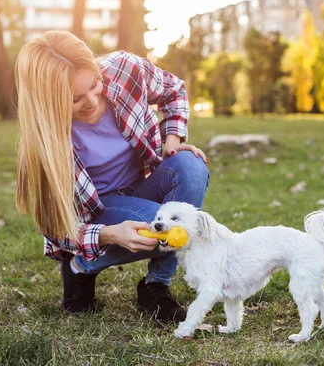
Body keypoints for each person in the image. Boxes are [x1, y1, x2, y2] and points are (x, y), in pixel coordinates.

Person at [14, 30, 210, 323]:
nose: (93, 101)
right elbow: (55, 227)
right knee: (164, 231)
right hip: (97, 210)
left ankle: (156, 286)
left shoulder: (124, 70)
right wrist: (108, 234)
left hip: (141, 186)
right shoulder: (44, 142)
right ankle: (79, 267)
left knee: (190, 166)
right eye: (76, 99)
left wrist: (173, 140)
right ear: (50, 101)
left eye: (94, 85)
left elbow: (174, 90)